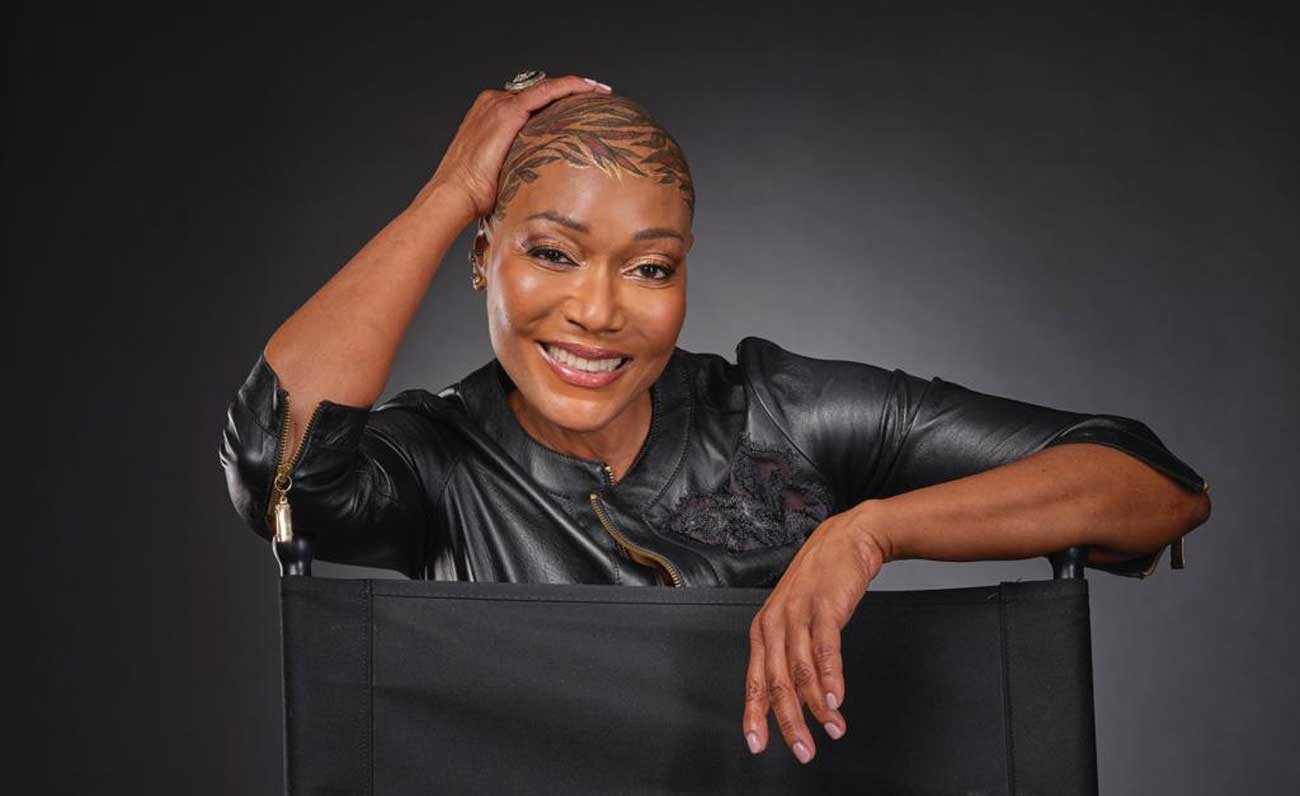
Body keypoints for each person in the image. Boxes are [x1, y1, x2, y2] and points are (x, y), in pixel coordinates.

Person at [218, 71, 1213, 766]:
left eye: (650, 267)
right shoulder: (436, 460)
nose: (598, 311)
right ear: (484, 255)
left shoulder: (781, 413)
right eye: (553, 253)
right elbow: (275, 465)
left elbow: (1150, 487)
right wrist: (448, 193)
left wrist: (867, 532)